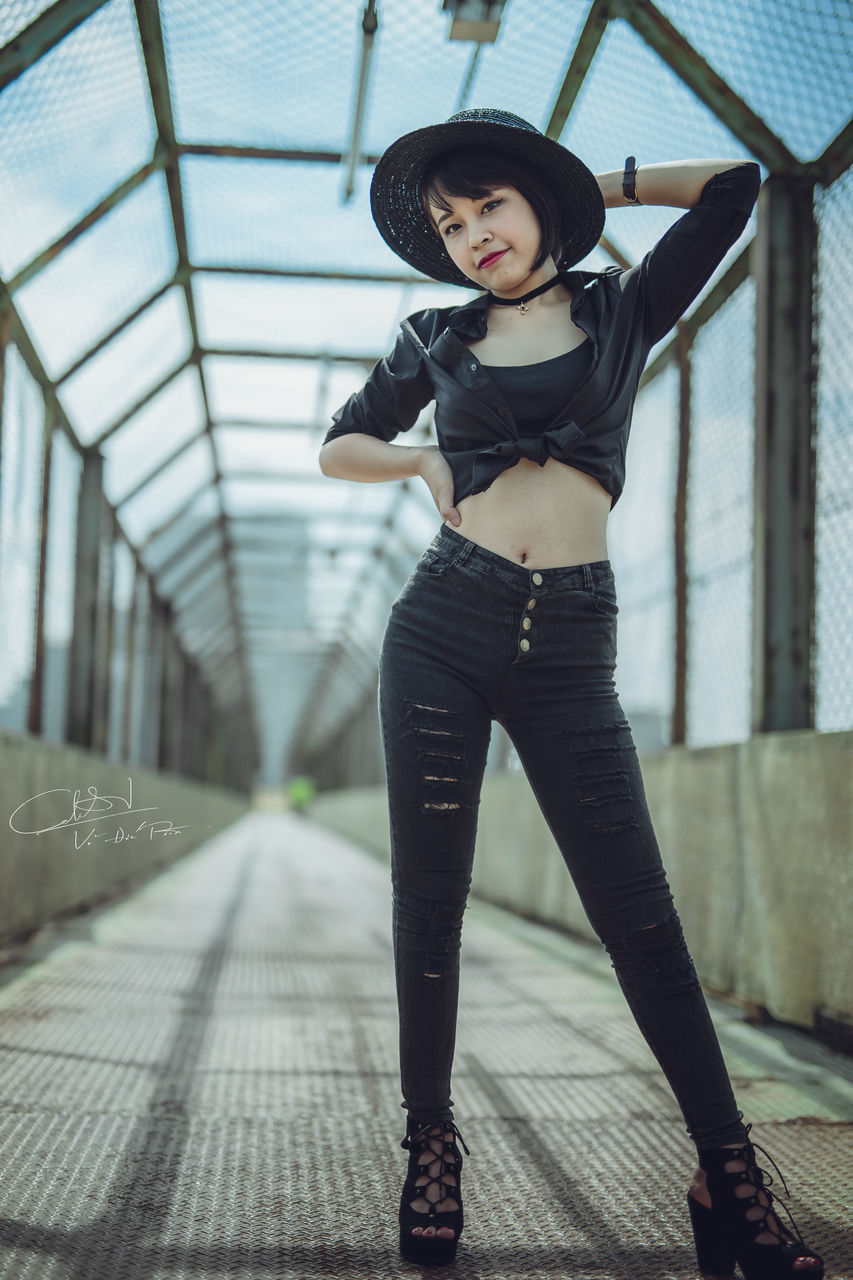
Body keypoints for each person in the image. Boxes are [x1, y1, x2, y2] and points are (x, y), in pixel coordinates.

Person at [319, 108, 824, 1276]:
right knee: (429, 906)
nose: (469, 235)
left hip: (570, 649)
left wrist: (580, 184)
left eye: (490, 204)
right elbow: (342, 443)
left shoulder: (619, 310)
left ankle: (727, 1173)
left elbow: (736, 187)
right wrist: (423, 455)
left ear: (538, 203)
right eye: (449, 221)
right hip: (443, 625)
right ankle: (431, 1143)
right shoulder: (435, 335)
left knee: (640, 918)